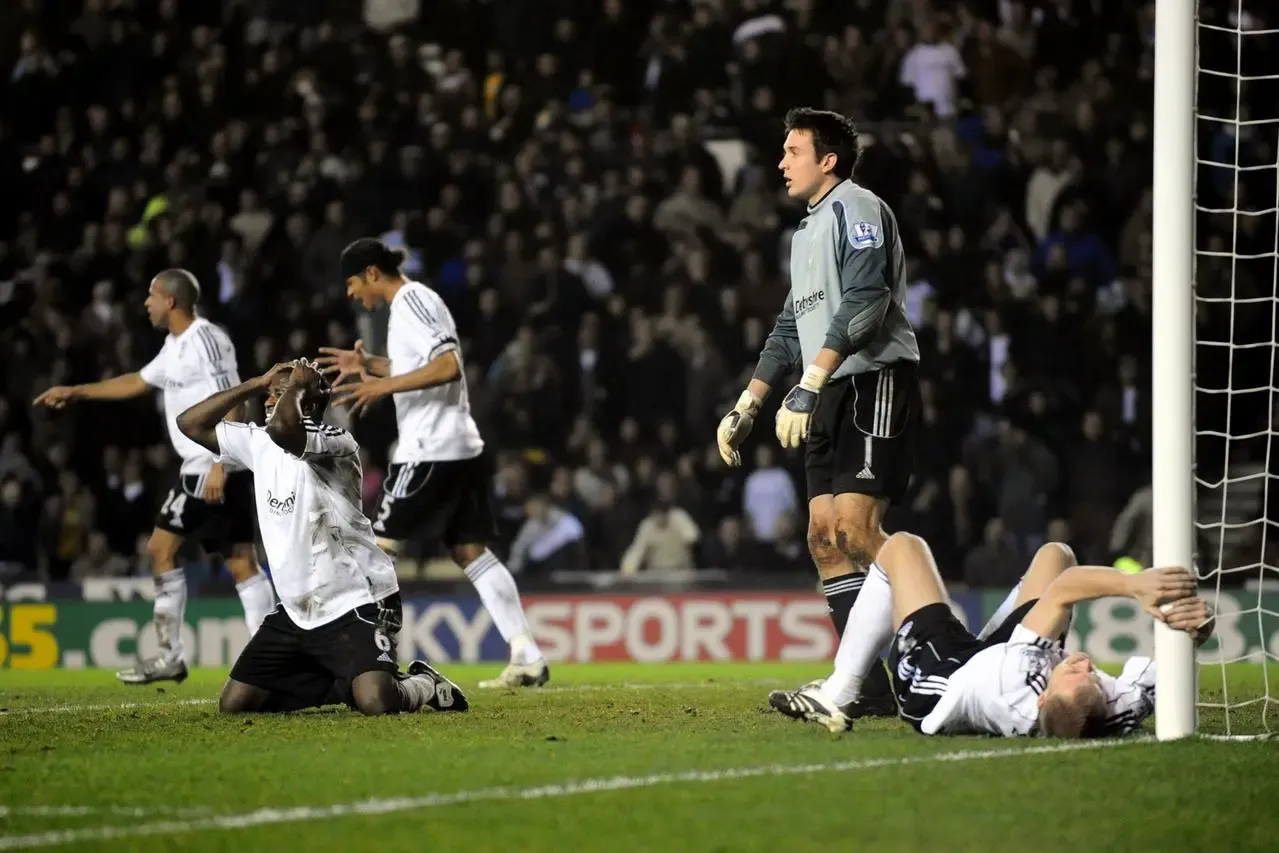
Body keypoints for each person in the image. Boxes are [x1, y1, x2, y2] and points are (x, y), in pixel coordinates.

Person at [715, 108, 920, 717]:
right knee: (824, 540)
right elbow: (789, 325)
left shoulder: (856, 207)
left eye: (792, 151)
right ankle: (872, 687)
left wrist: (809, 380)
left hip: (869, 380)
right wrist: (749, 401)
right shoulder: (806, 232)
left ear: (827, 160)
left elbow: (868, 299)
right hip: (825, 388)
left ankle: (933, 649)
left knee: (857, 531)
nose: (781, 163)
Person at [316, 238, 549, 689]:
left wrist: (382, 388)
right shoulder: (412, 306)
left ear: (370, 273)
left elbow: (447, 367)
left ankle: (371, 668)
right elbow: (422, 365)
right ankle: (527, 654)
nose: (350, 295)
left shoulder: (413, 301)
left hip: (430, 449)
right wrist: (372, 365)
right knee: (470, 551)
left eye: (350, 282)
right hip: (458, 446)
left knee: (376, 550)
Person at [176, 358, 467, 715]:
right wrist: (257, 381)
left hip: (356, 600)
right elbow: (189, 423)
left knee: (377, 702)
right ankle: (341, 682)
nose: (268, 402)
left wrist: (300, 384)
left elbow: (286, 428)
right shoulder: (258, 443)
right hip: (298, 611)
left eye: (279, 395)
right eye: (268, 396)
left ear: (307, 403)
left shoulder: (335, 443)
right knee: (236, 704)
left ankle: (422, 685)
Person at [32, 269, 275, 685]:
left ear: (171, 302)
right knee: (240, 562)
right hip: (206, 465)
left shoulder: (206, 339)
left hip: (210, 464)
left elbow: (236, 396)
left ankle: (173, 655)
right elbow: (138, 382)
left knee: (162, 549)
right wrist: (76, 392)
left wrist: (220, 461)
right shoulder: (174, 346)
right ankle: (270, 658)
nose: (146, 303)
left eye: (152, 295)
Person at [770, 532, 1214, 737]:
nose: (1085, 664)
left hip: (938, 683)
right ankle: (993, 640)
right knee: (1055, 554)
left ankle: (839, 691)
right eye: (1092, 676)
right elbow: (1162, 671)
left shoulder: (1012, 679)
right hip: (996, 656)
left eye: (1073, 674)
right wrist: (1195, 628)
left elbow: (1065, 592)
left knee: (903, 548)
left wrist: (1135, 586)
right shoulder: (1112, 709)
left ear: (1042, 698)